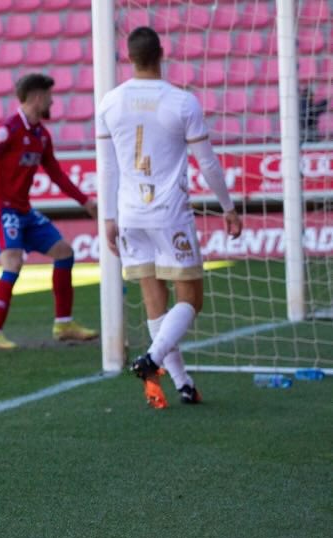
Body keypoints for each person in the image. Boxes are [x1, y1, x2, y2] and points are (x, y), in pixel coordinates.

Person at [96, 27, 243, 408]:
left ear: (129, 57)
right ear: (162, 53)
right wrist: (227, 207)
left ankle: (182, 383)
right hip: (170, 214)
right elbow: (207, 163)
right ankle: (153, 359)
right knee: (191, 299)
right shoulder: (181, 102)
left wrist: (108, 217)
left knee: (153, 302)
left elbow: (107, 167)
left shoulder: (109, 102)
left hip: (129, 215)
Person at [0, 73, 100, 350]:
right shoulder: (8, 130)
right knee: (13, 263)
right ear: (38, 97)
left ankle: (64, 324)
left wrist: (84, 201)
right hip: (1, 209)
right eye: (49, 96)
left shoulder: (41, 136)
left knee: (65, 252)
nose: (52, 101)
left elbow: (56, 174)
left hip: (23, 210)